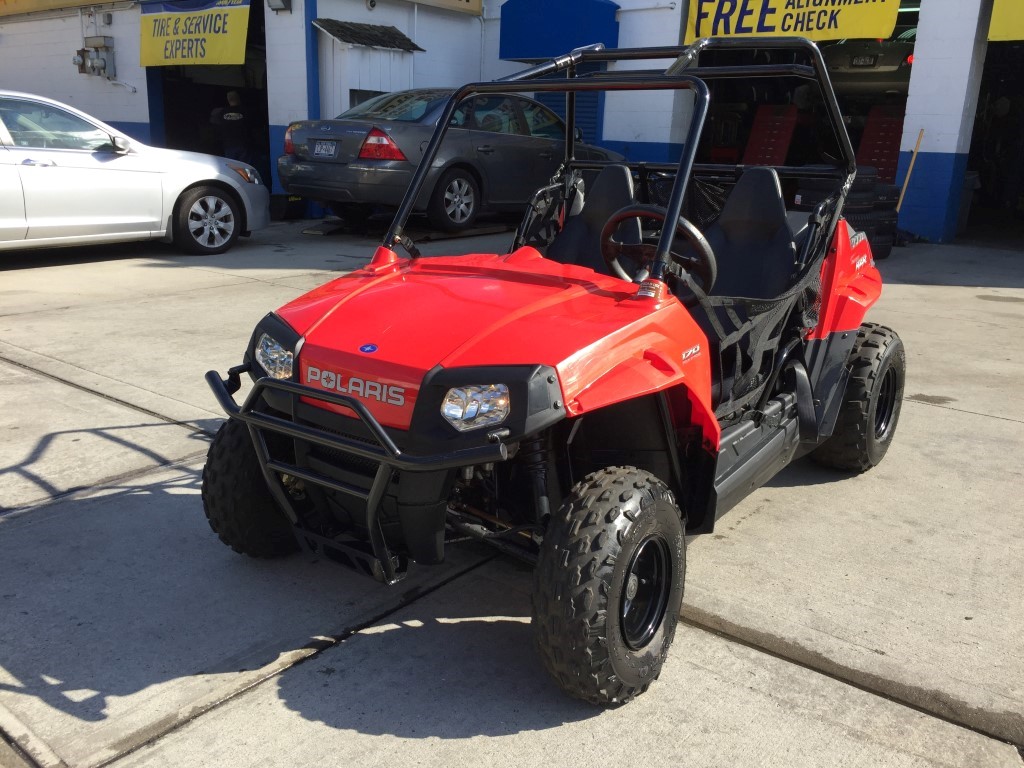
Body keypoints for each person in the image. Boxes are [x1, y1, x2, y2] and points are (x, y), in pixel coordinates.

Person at [210, 91, 252, 162]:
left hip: (229, 145)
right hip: (243, 145)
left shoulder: (221, 112)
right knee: (244, 168)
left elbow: (214, 124)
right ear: (238, 99)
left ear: (228, 100)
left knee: (231, 169)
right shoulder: (246, 111)